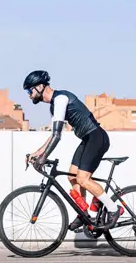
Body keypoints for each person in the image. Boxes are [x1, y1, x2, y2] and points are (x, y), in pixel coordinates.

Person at [23, 69, 123, 231]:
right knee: (72, 176)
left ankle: (113, 209)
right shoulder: (54, 106)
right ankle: (84, 214)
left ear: (40, 86)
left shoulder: (61, 98)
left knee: (83, 179)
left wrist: (44, 156)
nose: (28, 94)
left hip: (96, 137)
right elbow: (54, 135)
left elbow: (57, 136)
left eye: (29, 90)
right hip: (87, 139)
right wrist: (38, 153)